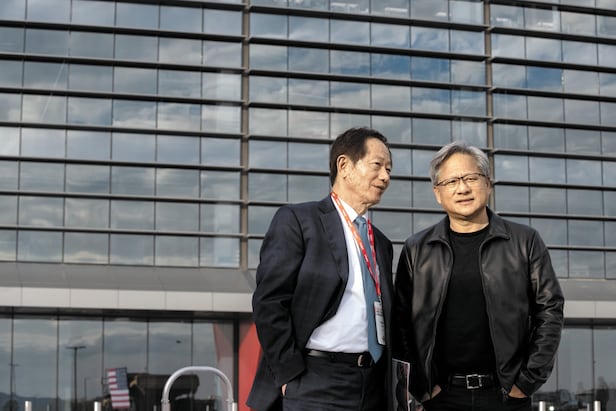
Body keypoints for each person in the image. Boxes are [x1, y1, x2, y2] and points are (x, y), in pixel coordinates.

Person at [393, 141, 565, 411]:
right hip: (442, 398)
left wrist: (526, 381)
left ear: (488, 183)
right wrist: (421, 386)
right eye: (451, 181)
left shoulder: (524, 241)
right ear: (437, 193)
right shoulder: (417, 249)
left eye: (471, 178)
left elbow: (550, 311)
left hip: (507, 395)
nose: (462, 188)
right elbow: (400, 322)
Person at [247, 127, 395, 411]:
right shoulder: (299, 221)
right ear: (344, 165)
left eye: (389, 170)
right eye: (377, 165)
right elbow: (269, 302)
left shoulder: (381, 244)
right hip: (314, 380)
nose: (385, 177)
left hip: (372, 386)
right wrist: (289, 374)